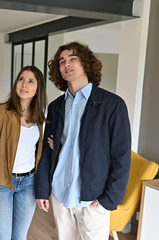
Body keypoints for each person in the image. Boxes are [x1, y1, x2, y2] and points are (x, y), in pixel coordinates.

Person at [35, 42, 131, 240]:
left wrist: (109, 200)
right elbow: (47, 151)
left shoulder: (112, 105)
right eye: (61, 61)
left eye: (73, 59)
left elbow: (121, 156)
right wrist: (43, 190)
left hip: (93, 199)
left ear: (86, 64)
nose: (66, 64)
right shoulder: (55, 106)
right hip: (60, 194)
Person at [0, 66, 47, 239]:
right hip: (2, 183)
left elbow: (37, 151)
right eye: (21, 79)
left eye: (31, 81)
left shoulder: (39, 116)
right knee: (2, 237)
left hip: (29, 183)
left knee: (20, 236)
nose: (24, 84)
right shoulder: (1, 112)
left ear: (38, 88)